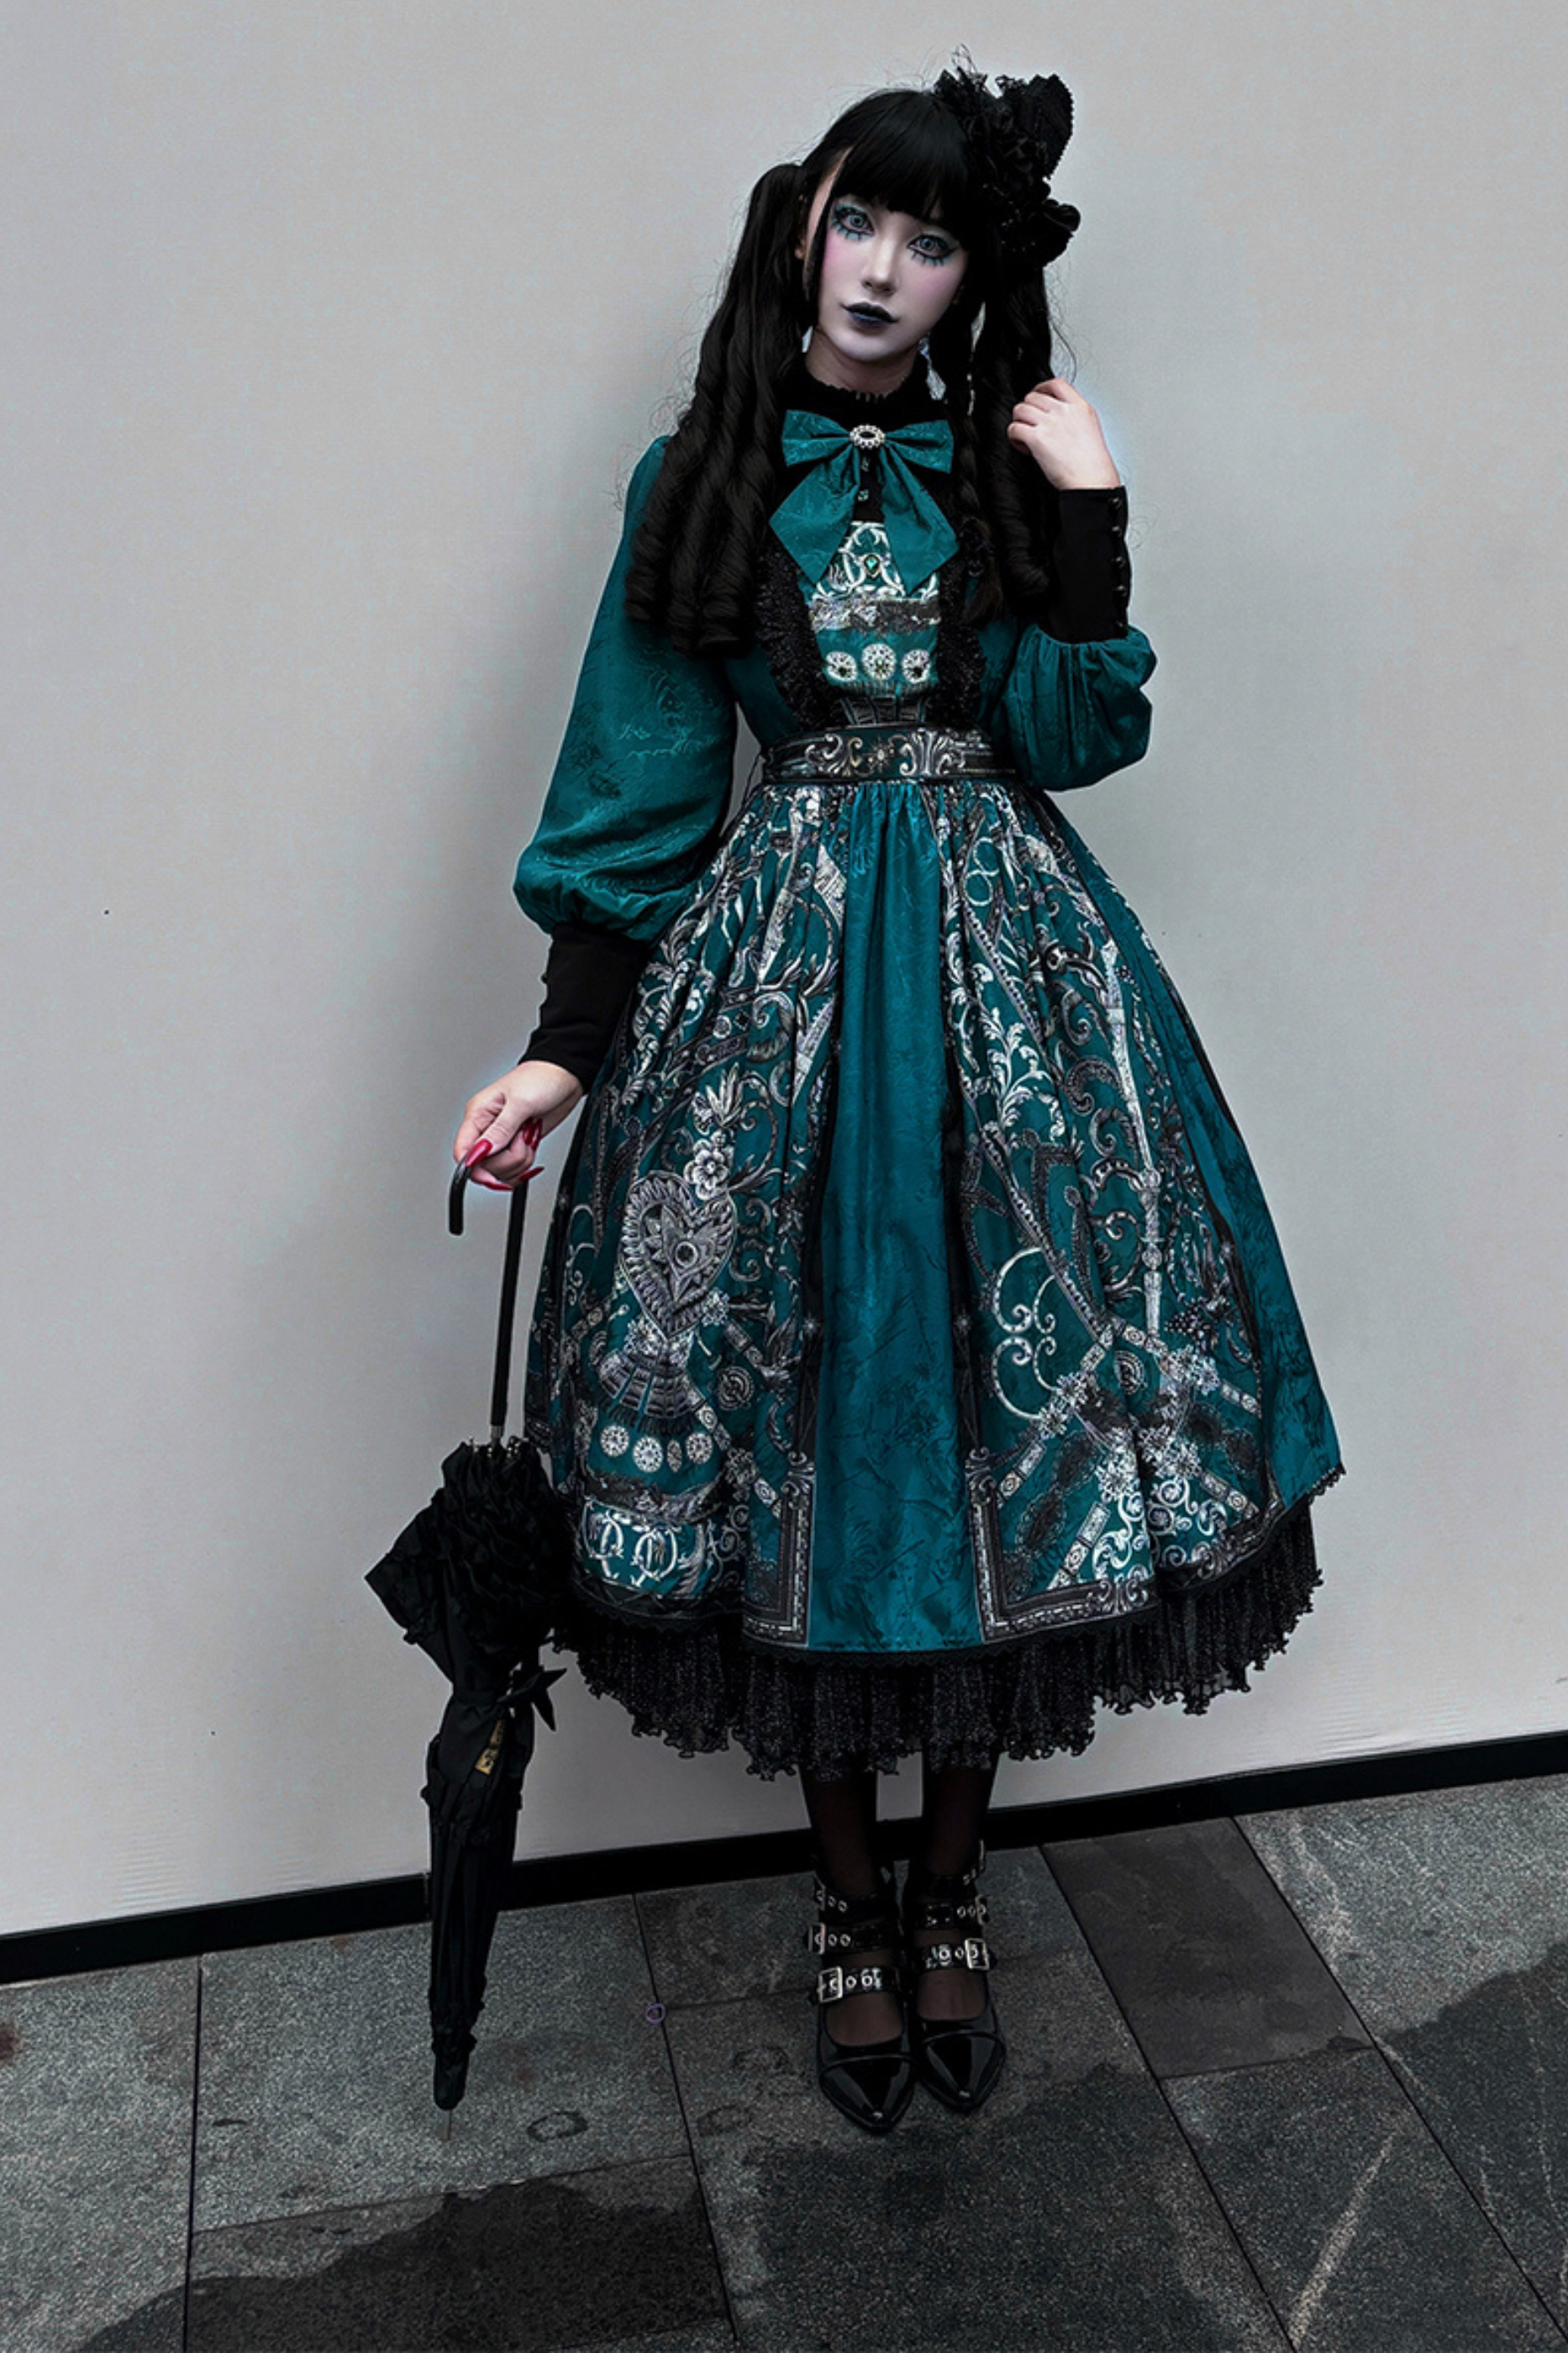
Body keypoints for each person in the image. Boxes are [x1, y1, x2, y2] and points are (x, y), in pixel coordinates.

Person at [452, 59, 1344, 2135]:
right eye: (858, 218)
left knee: (996, 1419)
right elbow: (641, 768)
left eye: (931, 239)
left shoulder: (1000, 462)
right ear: (800, 222)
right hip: (776, 1009)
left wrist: (1091, 510)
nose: (880, 268)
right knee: (815, 1423)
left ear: (971, 276)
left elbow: (1075, 728)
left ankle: (955, 1878)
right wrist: (565, 1044)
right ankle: (846, 1897)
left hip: (1014, 998)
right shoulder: (703, 472)